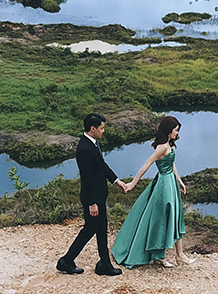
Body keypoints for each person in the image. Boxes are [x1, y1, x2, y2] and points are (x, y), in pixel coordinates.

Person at [57, 112, 130, 277]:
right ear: (92, 128)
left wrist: (116, 180)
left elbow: (101, 165)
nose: (103, 131)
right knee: (90, 228)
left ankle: (104, 263)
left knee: (101, 227)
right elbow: (87, 178)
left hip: (99, 196)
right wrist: (92, 203)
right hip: (93, 198)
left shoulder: (93, 143)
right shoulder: (84, 148)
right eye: (102, 128)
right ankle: (67, 260)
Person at [112, 115, 187, 268]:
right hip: (164, 184)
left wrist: (180, 181)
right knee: (162, 218)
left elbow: (171, 164)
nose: (177, 133)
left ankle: (177, 255)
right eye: (176, 130)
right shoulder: (162, 147)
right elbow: (147, 163)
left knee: (174, 215)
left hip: (170, 182)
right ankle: (164, 255)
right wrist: (133, 183)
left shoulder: (169, 144)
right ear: (168, 131)